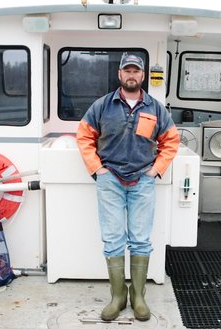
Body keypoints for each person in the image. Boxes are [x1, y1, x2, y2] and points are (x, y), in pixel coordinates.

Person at [76, 53, 180, 321]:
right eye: (127, 71)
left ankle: (139, 296)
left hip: (143, 181)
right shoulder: (102, 106)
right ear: (120, 75)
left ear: (143, 76)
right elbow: (85, 136)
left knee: (141, 239)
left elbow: (171, 141)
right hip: (110, 179)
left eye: (136, 71)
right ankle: (118, 296)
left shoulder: (156, 108)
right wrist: (97, 169)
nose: (131, 75)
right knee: (112, 240)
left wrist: (155, 170)